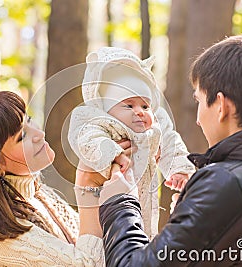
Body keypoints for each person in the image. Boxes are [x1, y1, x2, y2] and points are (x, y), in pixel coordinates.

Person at [98, 34, 242, 266]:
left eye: (200, 101)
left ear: (221, 106)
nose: (197, 119)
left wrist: (120, 202)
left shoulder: (226, 182)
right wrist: (189, 213)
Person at [0, 91, 108, 266]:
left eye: (29, 120)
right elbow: (89, 263)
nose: (39, 134)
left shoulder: (39, 196)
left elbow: (98, 242)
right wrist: (87, 188)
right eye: (22, 136)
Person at [68, 47, 195, 238]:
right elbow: (86, 137)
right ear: (107, 109)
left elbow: (171, 141)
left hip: (144, 202)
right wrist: (112, 152)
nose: (140, 111)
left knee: (143, 233)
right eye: (129, 105)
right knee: (111, 240)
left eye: (145, 105)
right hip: (105, 203)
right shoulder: (101, 123)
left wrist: (179, 169)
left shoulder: (153, 131)